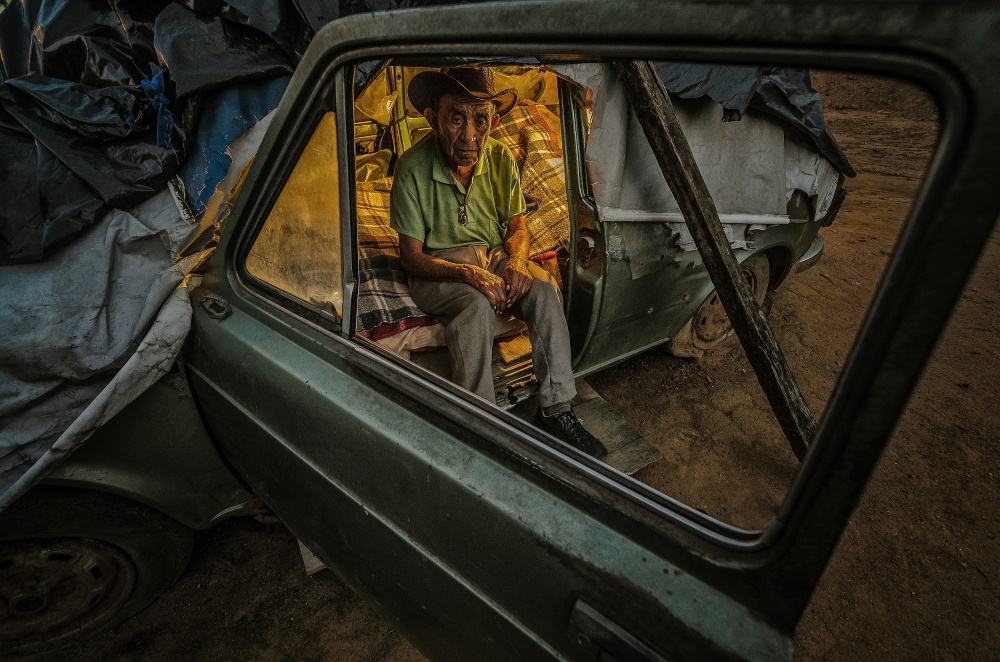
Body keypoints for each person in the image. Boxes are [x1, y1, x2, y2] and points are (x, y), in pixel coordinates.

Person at [389, 67, 607, 459]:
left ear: (491, 122)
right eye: (457, 118)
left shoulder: (500, 156)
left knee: (543, 290)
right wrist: (469, 274)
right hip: (439, 267)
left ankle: (556, 410)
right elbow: (412, 257)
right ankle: (481, 424)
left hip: (492, 255)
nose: (470, 136)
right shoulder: (411, 168)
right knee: (475, 306)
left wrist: (518, 261)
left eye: (480, 120)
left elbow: (517, 227)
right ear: (433, 118)